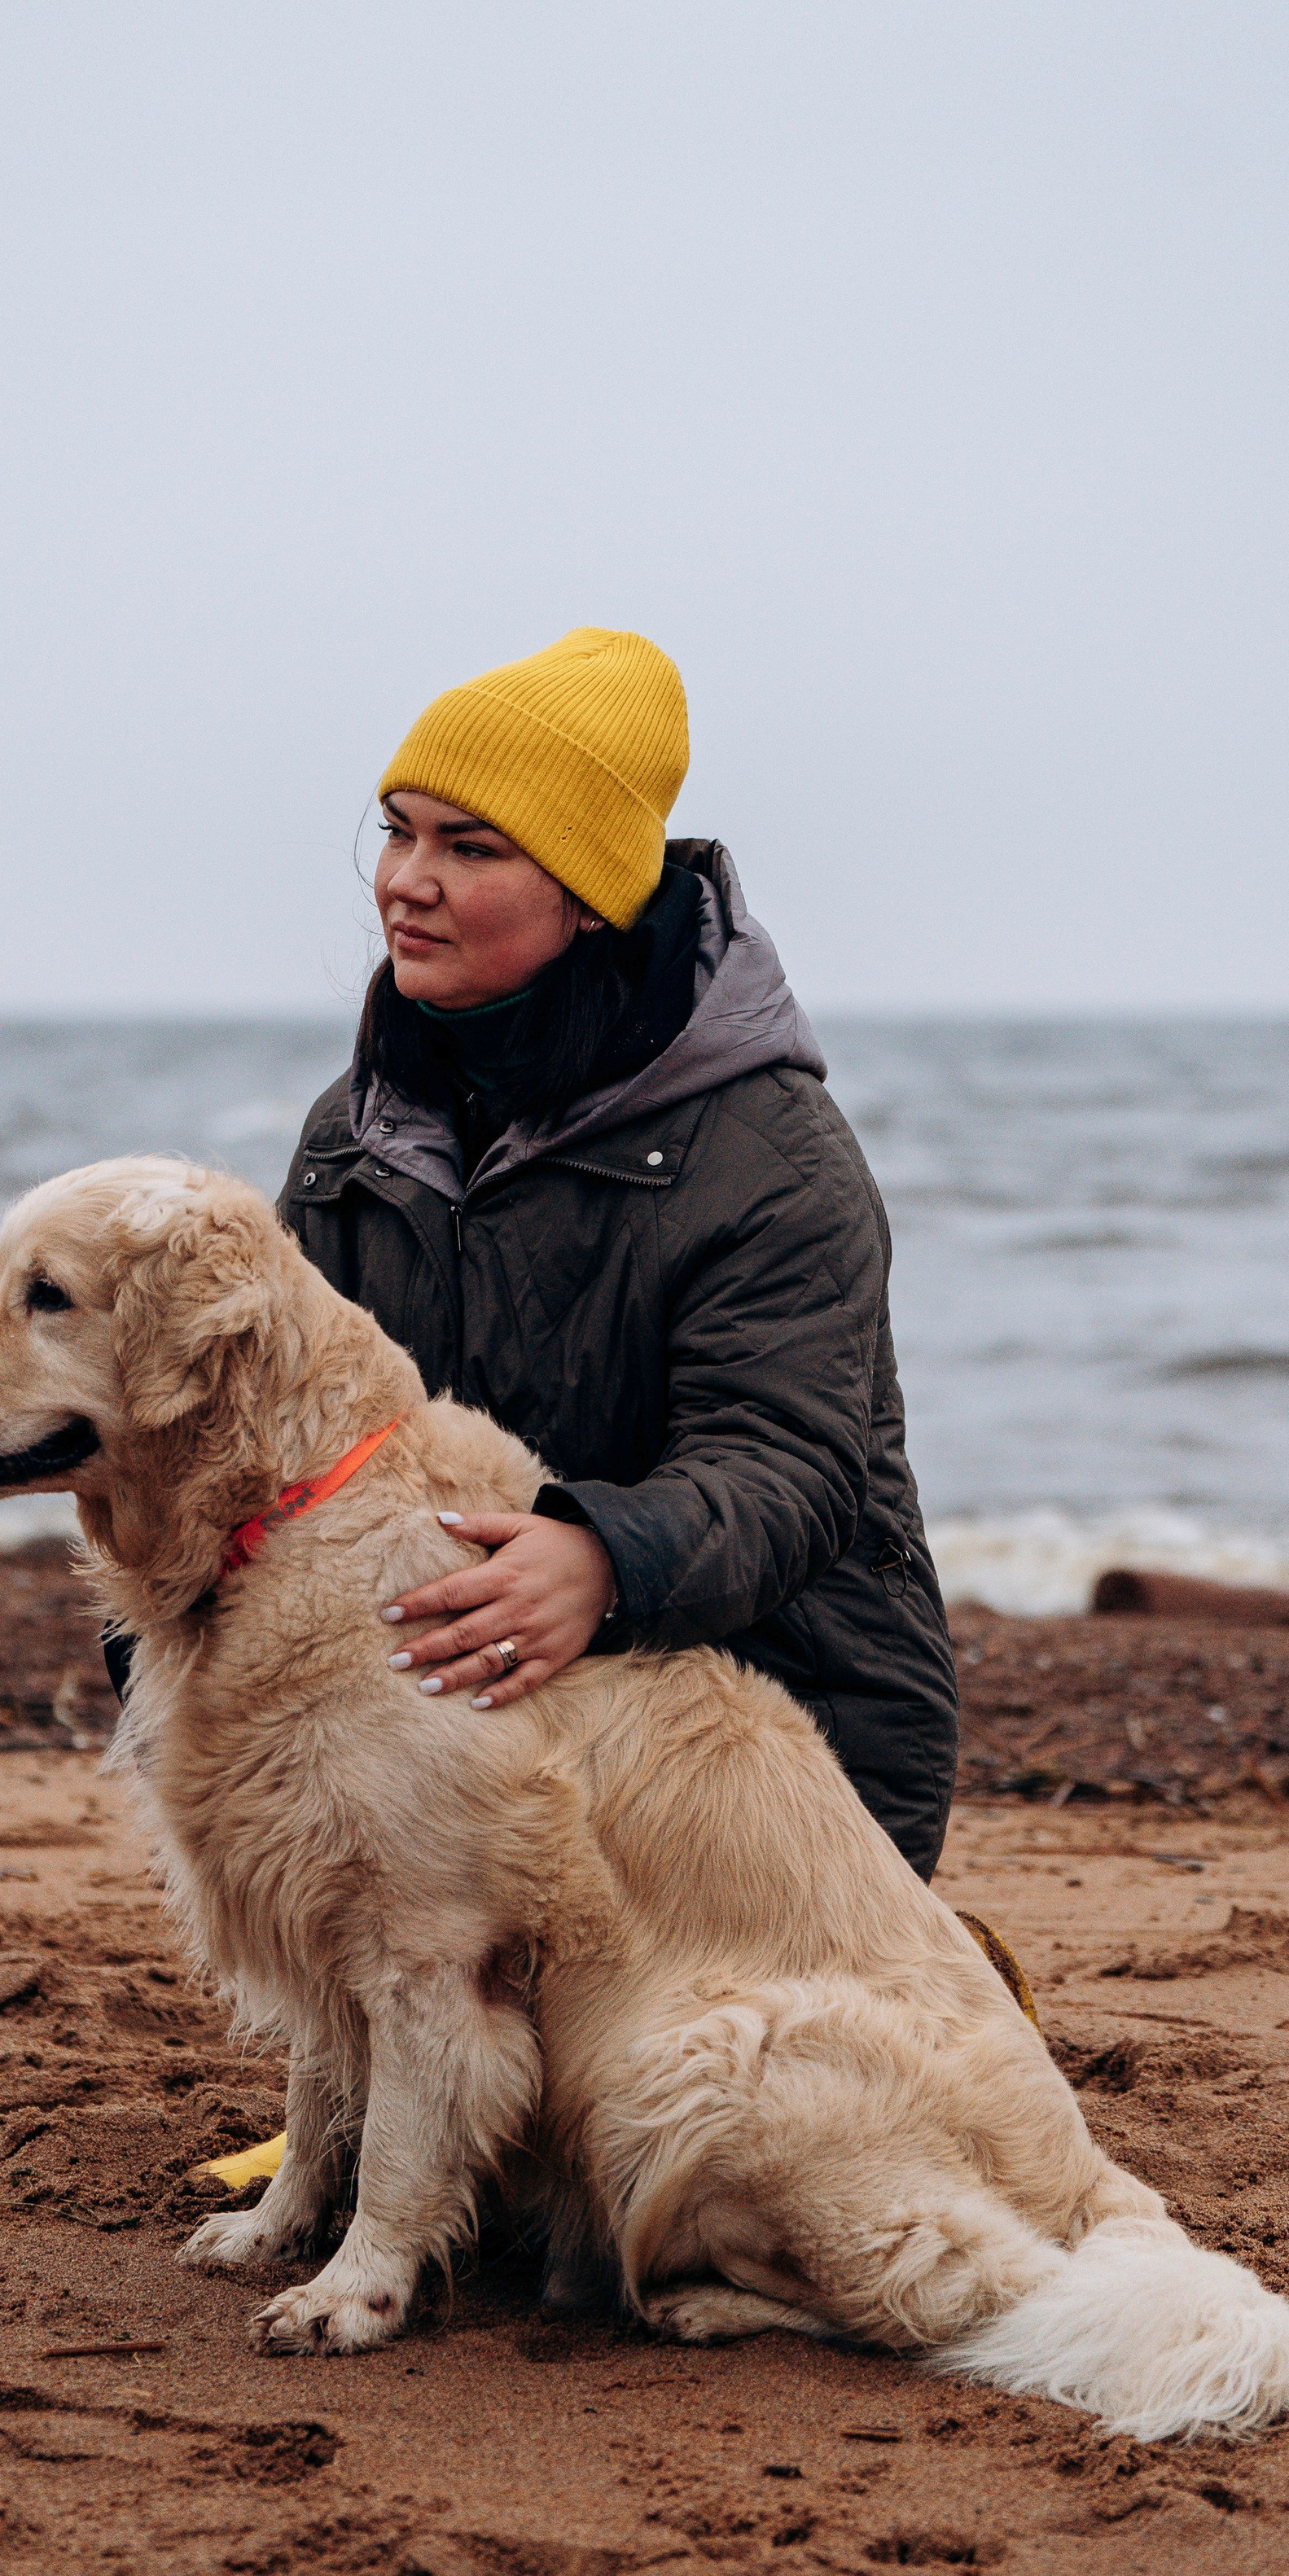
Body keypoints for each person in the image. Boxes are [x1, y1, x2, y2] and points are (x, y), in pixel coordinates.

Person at [274, 625, 960, 1882]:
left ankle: (927, 1968)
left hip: (791, 1730)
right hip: (481, 1694)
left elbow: (791, 1466)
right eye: (398, 828)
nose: (404, 881)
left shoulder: (772, 1151)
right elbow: (277, 1425)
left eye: (469, 847)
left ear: (593, 895)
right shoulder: (354, 1133)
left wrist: (600, 1558)